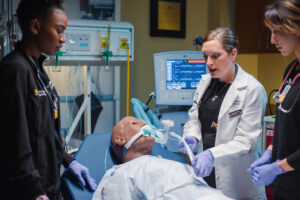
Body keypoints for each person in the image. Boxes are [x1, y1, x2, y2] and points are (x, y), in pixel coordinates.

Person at [0, 0, 97, 199]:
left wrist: (69, 161)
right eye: (59, 31)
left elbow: (47, 131)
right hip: (26, 192)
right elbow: (14, 140)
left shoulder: (37, 69)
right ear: (35, 26)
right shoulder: (15, 69)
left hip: (48, 186)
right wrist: (35, 192)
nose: (63, 39)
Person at [178, 27, 267, 199]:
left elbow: (247, 141)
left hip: (237, 181)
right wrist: (192, 136)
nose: (209, 63)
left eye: (215, 56)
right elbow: (194, 118)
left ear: (233, 54)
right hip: (206, 173)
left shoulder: (251, 89)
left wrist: (211, 154)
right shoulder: (204, 83)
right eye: (205, 56)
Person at [92, 116, 233, 200]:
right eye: (135, 123)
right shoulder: (120, 173)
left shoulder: (171, 163)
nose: (144, 124)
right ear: (120, 139)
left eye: (143, 123)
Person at [248, 0, 300, 199]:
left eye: (276, 31)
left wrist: (277, 167)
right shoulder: (291, 71)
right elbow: (283, 123)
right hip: (284, 186)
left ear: (295, 27)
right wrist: (270, 151)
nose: (272, 39)